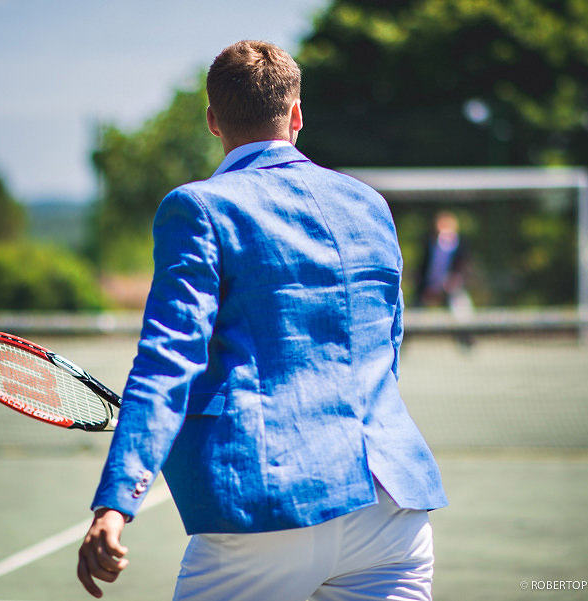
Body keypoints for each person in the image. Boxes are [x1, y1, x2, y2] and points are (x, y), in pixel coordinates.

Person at [77, 40, 447, 601]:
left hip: (267, 506)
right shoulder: (369, 203)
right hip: (393, 508)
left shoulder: (198, 207)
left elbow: (169, 358)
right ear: (296, 114)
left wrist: (116, 501)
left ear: (212, 121)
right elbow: (386, 345)